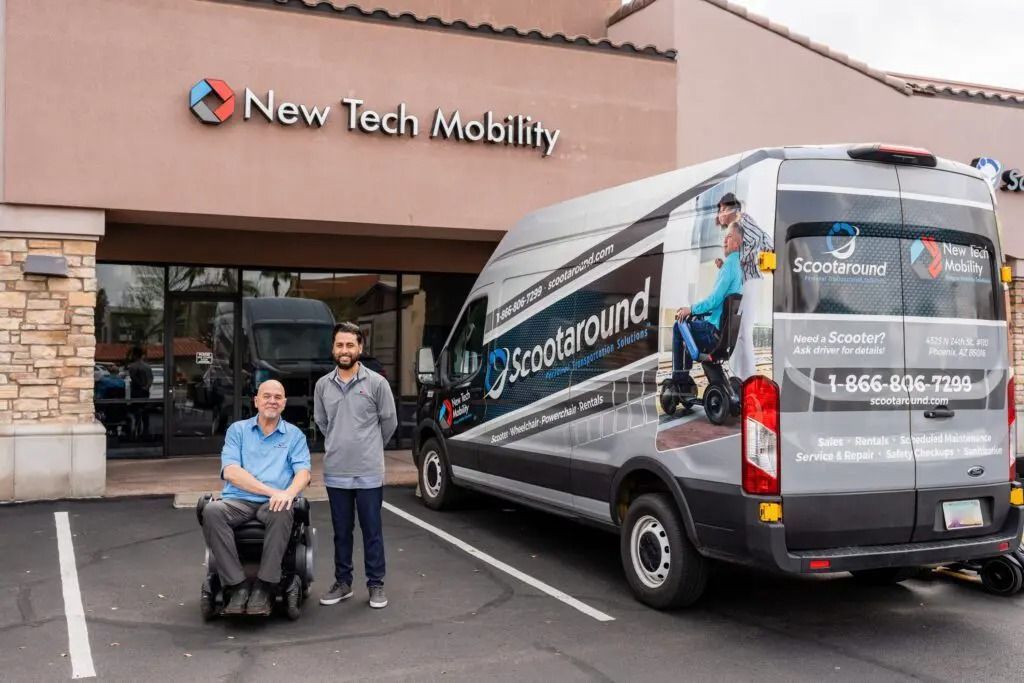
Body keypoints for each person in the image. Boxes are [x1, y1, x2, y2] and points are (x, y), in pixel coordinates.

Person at [201, 380, 311, 616]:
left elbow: (304, 473)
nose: (272, 401)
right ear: (257, 401)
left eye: (278, 397)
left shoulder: (294, 436)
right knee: (211, 511)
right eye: (267, 396)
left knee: (283, 509)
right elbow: (231, 472)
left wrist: (289, 494)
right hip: (238, 500)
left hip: (274, 505)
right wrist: (273, 492)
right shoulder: (238, 431)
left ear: (284, 403)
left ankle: (265, 586)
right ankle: (236, 585)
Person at [315, 322, 398, 609]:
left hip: (368, 473)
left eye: (350, 345)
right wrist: (342, 444)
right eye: (340, 345)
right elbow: (323, 423)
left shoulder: (377, 383)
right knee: (341, 532)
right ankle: (343, 583)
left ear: (360, 348)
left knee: (372, 531)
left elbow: (389, 423)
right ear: (333, 348)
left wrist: (369, 448)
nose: (345, 350)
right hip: (336, 472)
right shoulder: (322, 386)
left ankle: (376, 584)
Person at [672, 226, 744, 391]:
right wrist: (722, 269)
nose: (724, 240)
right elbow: (727, 295)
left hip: (713, 332)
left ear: (738, 243)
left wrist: (690, 309)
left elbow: (713, 301)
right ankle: (685, 376)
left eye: (730, 237)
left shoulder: (729, 267)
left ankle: (679, 380)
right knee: (692, 324)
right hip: (725, 336)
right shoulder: (738, 266)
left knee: (679, 326)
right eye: (725, 237)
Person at [713, 193, 774, 379]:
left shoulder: (743, 219)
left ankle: (749, 377)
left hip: (751, 280)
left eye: (723, 209)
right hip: (745, 281)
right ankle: (737, 376)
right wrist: (726, 266)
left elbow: (758, 239)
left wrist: (739, 259)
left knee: (744, 331)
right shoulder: (736, 225)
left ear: (732, 208)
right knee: (738, 331)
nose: (720, 213)